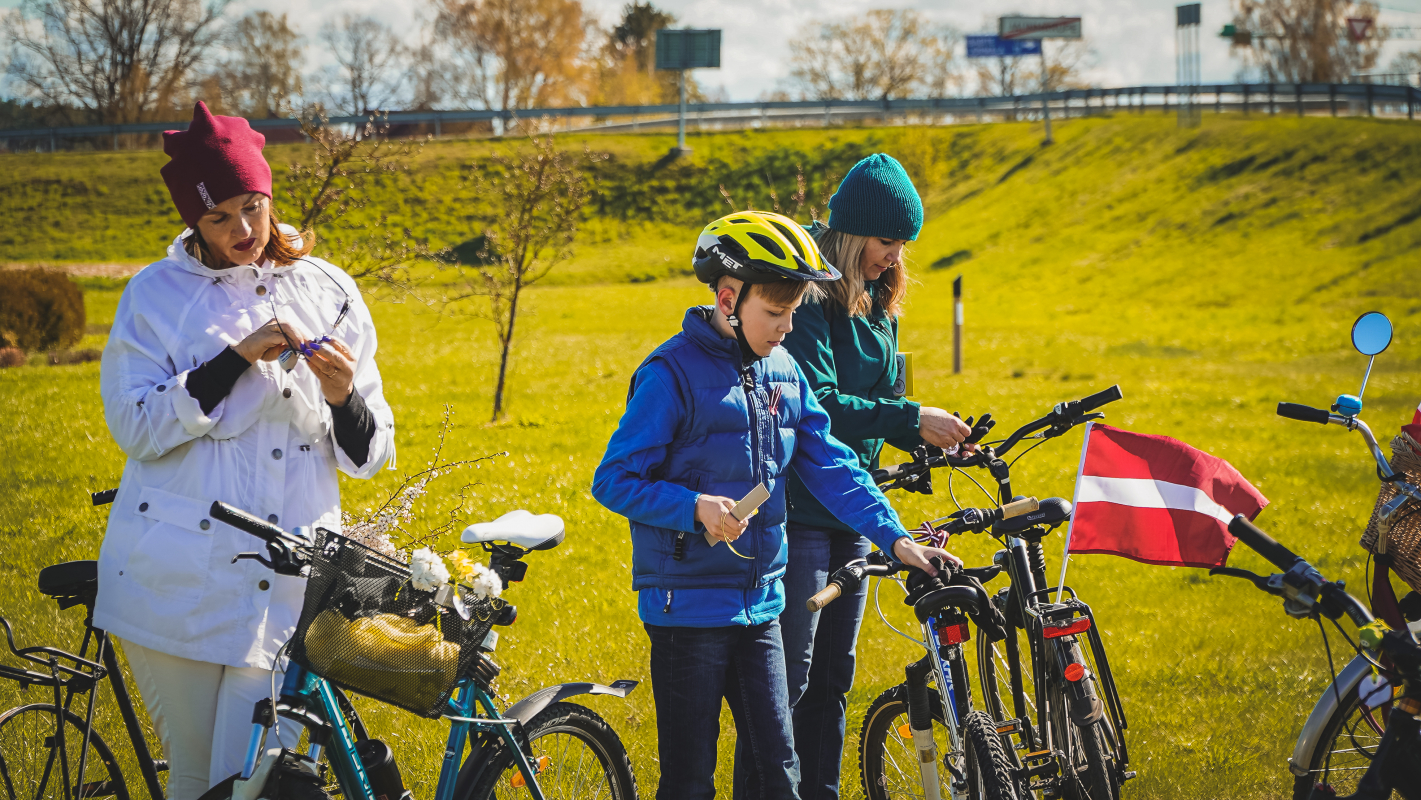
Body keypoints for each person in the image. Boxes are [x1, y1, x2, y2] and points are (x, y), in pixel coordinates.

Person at [591, 210, 958, 800]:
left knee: (778, 778)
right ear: (729, 297)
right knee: (690, 784)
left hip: (763, 607)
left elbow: (833, 463)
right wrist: (694, 508)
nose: (787, 328)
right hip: (686, 612)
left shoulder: (784, 372)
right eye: (775, 313)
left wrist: (896, 538)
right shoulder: (669, 375)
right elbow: (613, 480)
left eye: (793, 313)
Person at [95, 102, 395, 800]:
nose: (244, 231)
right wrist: (232, 360)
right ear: (193, 221)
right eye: (220, 216)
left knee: (261, 782)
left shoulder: (329, 289)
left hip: (291, 583)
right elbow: (135, 426)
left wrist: (346, 396)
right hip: (176, 584)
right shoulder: (154, 296)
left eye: (254, 207)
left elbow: (372, 449)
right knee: (198, 783)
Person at [778, 153, 971, 800]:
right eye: (887, 243)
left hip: (856, 514)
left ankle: (822, 791)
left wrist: (933, 443)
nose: (894, 257)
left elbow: (885, 413)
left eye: (902, 246)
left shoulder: (883, 306)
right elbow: (822, 404)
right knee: (793, 677)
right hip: (801, 512)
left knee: (835, 675)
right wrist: (911, 417)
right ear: (854, 234)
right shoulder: (807, 301)